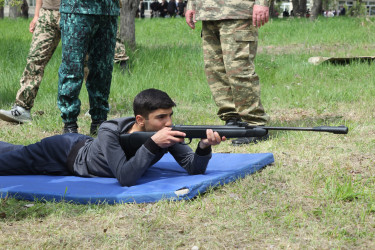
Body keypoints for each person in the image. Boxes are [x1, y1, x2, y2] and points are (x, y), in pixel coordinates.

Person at [0, 89, 224, 187]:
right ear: (140, 119)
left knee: (15, 152)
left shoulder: (165, 133)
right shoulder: (110, 129)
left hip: (82, 151)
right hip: (62, 153)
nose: (168, 123)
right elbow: (125, 178)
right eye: (160, 117)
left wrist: (204, 147)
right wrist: (153, 144)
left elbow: (193, 168)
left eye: (170, 116)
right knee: (8, 163)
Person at [0, 0, 129, 126]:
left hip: (82, 11)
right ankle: (22, 107)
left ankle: (97, 107)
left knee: (86, 63)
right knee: (35, 60)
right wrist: (37, 14)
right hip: (50, 11)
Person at [185, 0, 270, 145]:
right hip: (208, 13)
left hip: (238, 11)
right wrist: (192, 5)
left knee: (238, 70)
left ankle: (255, 125)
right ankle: (232, 119)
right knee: (216, 71)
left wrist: (262, 3)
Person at [58, 0, 120, 135]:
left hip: (108, 10)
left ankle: (100, 120)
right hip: (76, 10)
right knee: (72, 67)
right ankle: (70, 123)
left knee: (103, 68)